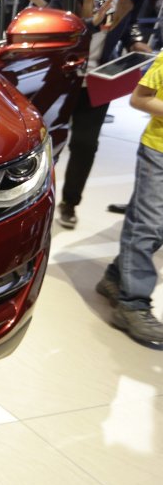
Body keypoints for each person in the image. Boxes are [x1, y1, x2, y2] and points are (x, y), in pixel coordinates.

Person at [51, 0, 153, 229]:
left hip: (99, 81)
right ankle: (37, 198)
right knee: (49, 143)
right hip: (63, 78)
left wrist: (136, 41)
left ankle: (69, 202)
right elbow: (55, 23)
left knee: (85, 143)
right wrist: (89, 23)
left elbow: (127, 25)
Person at [95, 51, 163, 346]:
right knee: (149, 225)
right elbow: (139, 98)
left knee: (153, 225)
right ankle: (132, 304)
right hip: (159, 151)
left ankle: (114, 277)